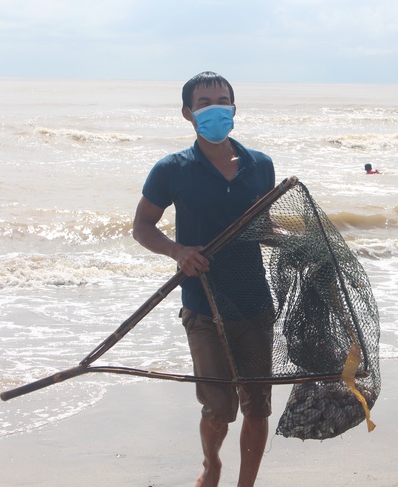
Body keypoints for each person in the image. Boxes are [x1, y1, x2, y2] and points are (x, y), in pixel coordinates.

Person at [133, 71, 275, 487]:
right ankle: (211, 463)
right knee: (218, 408)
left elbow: (262, 224)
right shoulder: (171, 169)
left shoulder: (260, 165)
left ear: (234, 109)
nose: (215, 108)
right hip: (202, 304)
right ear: (187, 113)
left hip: (253, 300)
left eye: (222, 101)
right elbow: (143, 226)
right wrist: (178, 252)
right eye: (204, 103)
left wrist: (281, 236)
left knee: (257, 407)